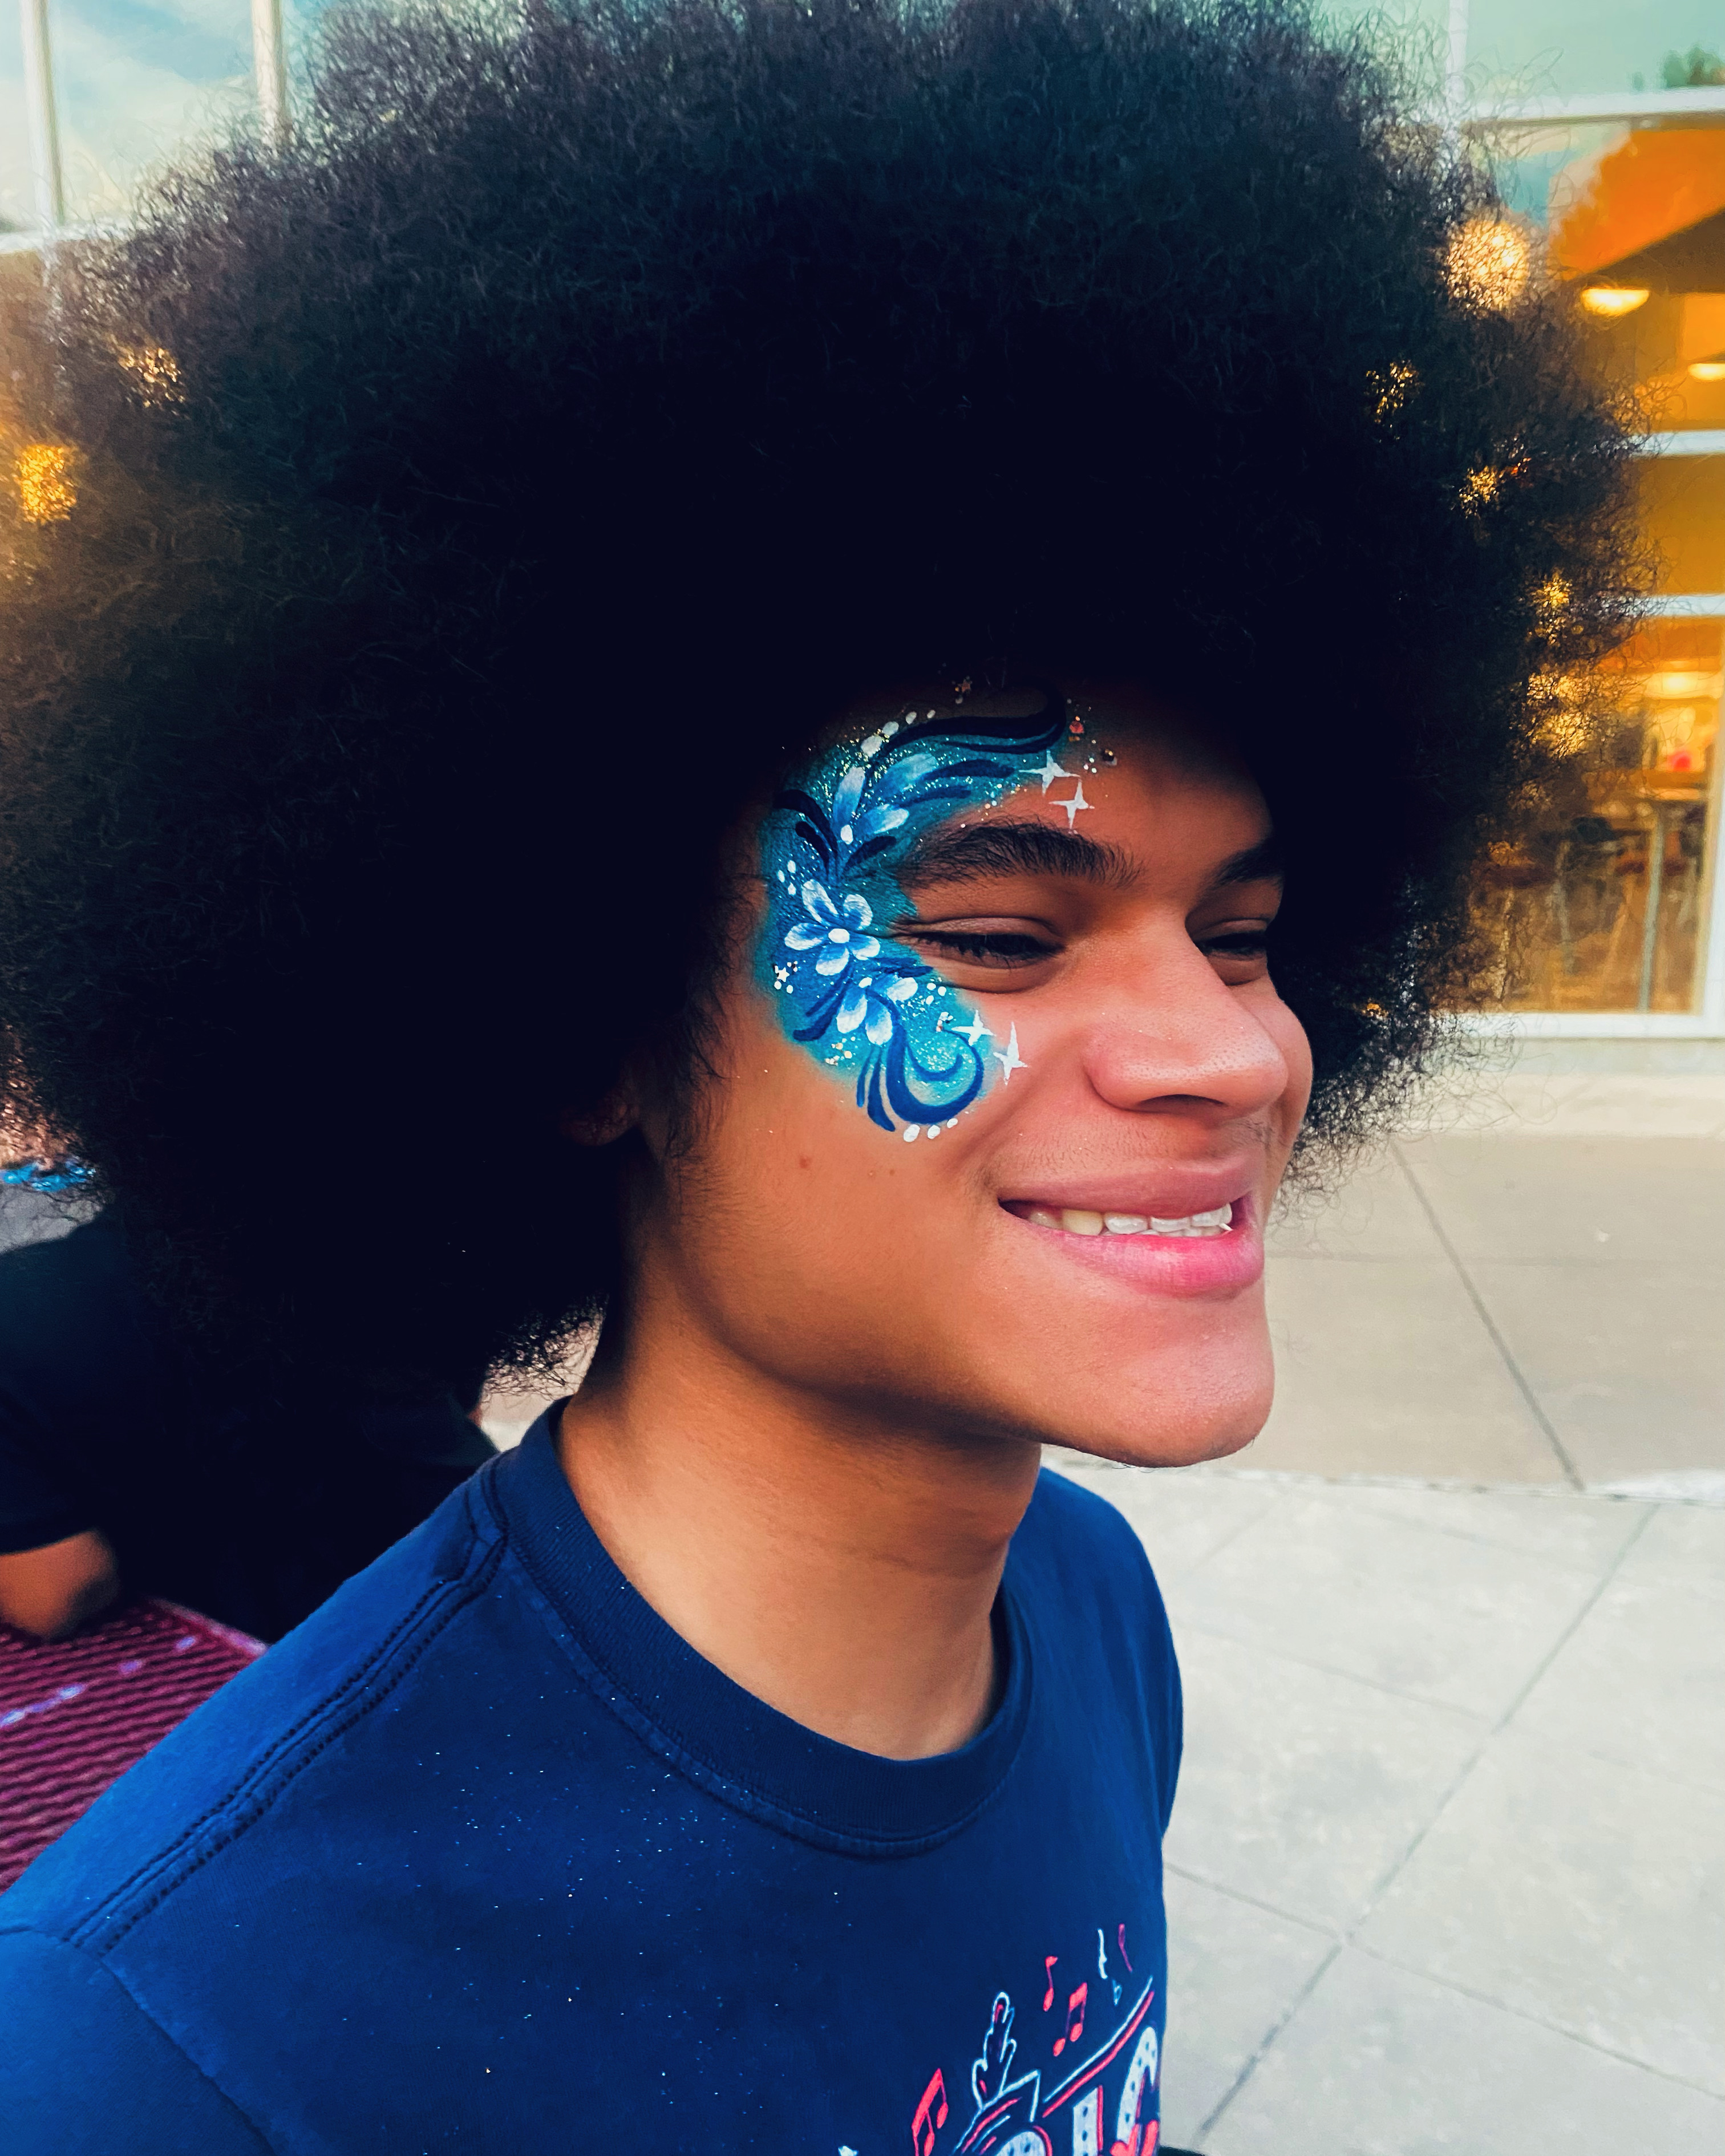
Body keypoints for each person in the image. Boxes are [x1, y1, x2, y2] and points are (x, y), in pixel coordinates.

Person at [0, 0, 1635, 2144]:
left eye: (1237, 932)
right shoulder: (179, 2032)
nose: (1232, 1046)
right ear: (581, 1019)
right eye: (993, 932)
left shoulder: (1080, 1611)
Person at [0, 1199, 497, 1642]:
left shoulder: (23, 1308)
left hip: (285, 1678)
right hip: (492, 1594)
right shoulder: (420, 1244)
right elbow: (463, 1417)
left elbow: (55, 1595)